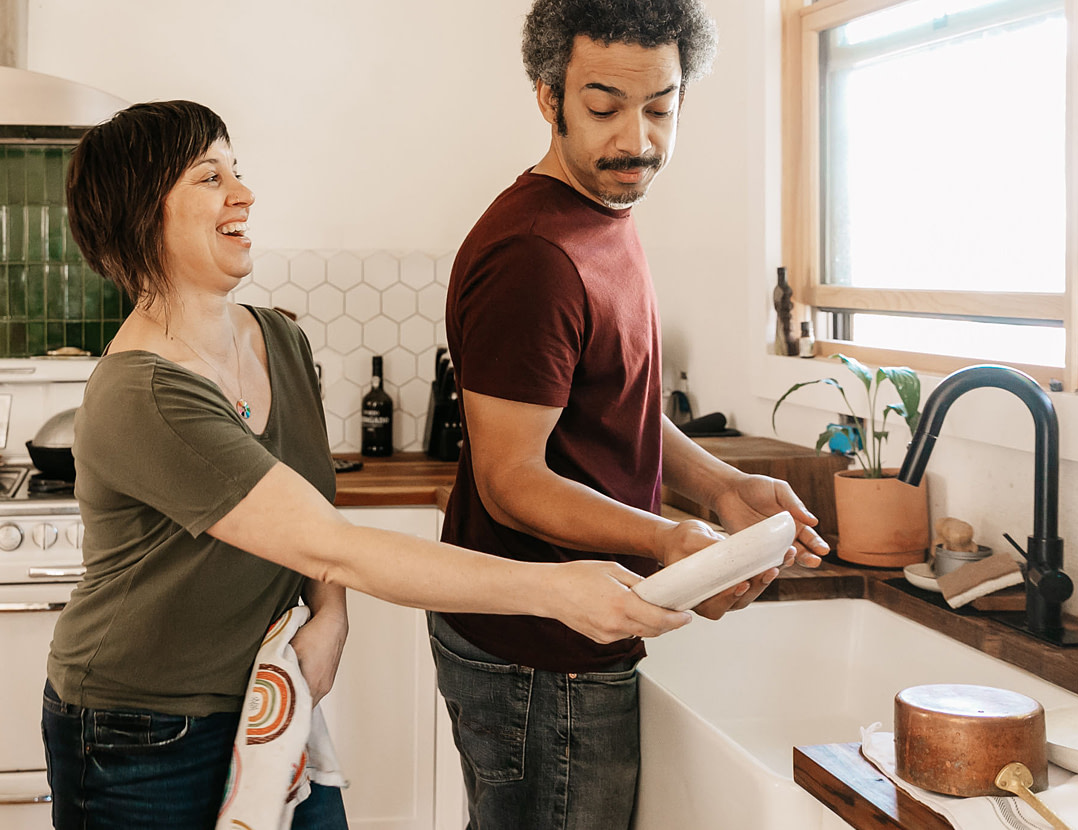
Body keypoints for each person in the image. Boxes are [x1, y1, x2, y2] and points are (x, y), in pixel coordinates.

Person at [42, 100, 690, 830]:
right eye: (209, 176)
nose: (244, 193)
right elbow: (332, 545)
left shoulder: (279, 341)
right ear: (141, 215)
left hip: (267, 695)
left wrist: (330, 612)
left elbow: (313, 514)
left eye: (237, 169)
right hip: (139, 731)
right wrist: (557, 591)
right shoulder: (144, 394)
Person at [435, 1, 830, 826]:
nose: (637, 140)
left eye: (660, 108)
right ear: (549, 98)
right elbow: (511, 481)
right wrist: (667, 539)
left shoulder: (603, 213)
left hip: (576, 632)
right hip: (541, 652)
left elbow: (614, 406)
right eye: (605, 107)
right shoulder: (534, 257)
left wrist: (721, 487)